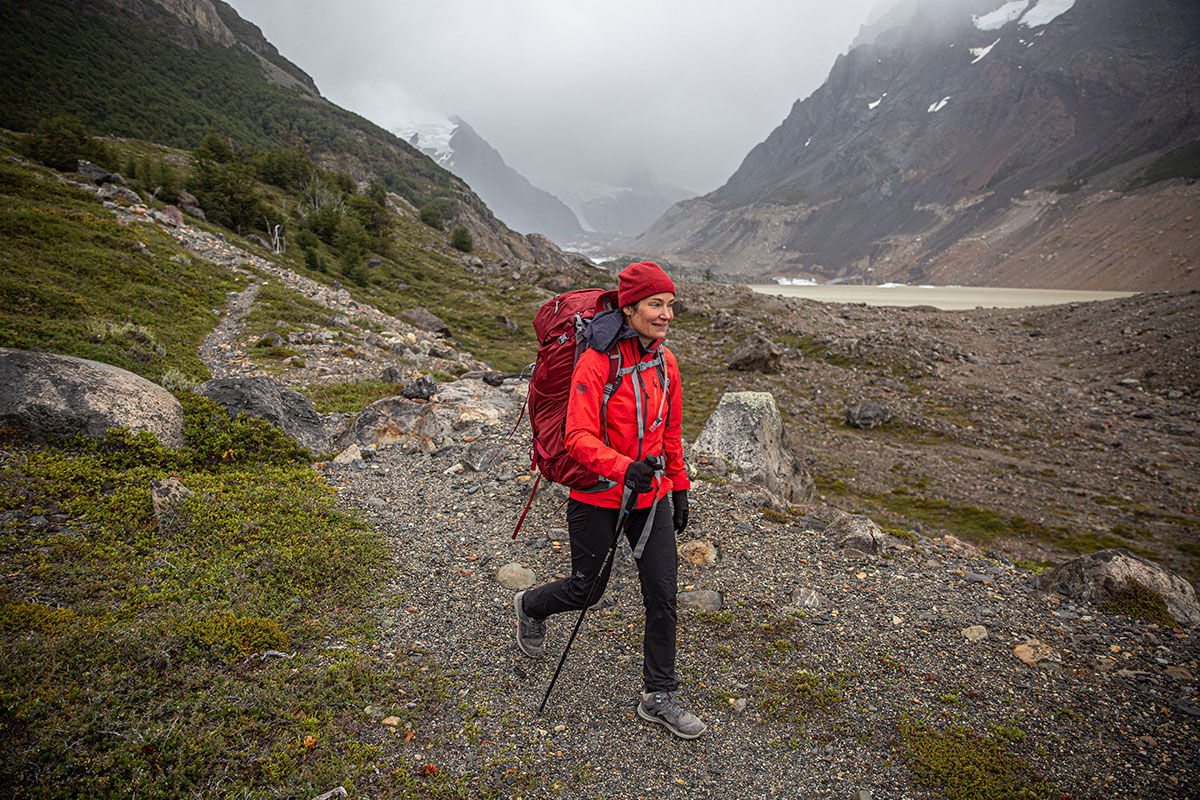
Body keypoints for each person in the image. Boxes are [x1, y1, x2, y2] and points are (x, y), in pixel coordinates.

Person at [513, 261, 705, 739]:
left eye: (670, 305)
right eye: (656, 305)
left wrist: (678, 488)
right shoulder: (597, 361)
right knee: (587, 590)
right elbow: (576, 436)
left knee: (662, 595)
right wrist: (624, 468)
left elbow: (672, 432)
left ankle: (659, 694)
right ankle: (531, 606)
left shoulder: (666, 362)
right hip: (597, 496)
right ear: (631, 307)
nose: (666, 315)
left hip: (652, 498)